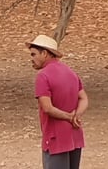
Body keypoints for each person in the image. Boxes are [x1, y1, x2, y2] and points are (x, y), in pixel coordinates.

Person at [27, 34, 88, 169]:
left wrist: (68, 117)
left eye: (33, 54)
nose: (31, 59)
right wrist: (76, 116)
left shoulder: (43, 76)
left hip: (55, 138)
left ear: (45, 53)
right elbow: (83, 98)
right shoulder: (71, 72)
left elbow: (47, 108)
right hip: (75, 135)